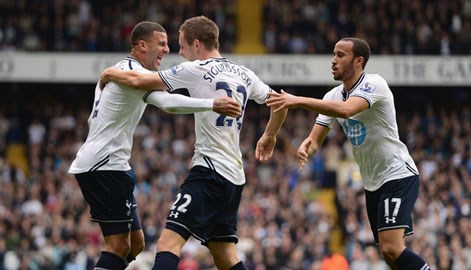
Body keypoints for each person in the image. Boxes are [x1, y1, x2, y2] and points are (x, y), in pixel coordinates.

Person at [99, 15, 288, 270]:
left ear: (196, 44)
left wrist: (111, 72)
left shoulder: (196, 69)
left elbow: (139, 81)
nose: (179, 52)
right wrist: (270, 135)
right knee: (224, 255)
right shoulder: (244, 73)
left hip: (208, 172)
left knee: (168, 243)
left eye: (182, 45)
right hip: (234, 178)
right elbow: (280, 103)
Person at [68, 21, 241, 270]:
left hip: (113, 165)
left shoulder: (120, 71)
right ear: (141, 45)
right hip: (104, 166)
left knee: (136, 244)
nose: (166, 49)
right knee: (117, 246)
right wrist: (211, 104)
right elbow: (168, 103)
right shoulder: (134, 75)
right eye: (161, 43)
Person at [266, 37, 431, 270]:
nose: (333, 60)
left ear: (358, 61)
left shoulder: (375, 84)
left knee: (391, 248)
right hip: (372, 183)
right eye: (333, 54)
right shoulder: (332, 96)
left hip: (398, 174)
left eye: (340, 55)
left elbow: (345, 111)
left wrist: (298, 100)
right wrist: (306, 148)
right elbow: (315, 140)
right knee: (391, 255)